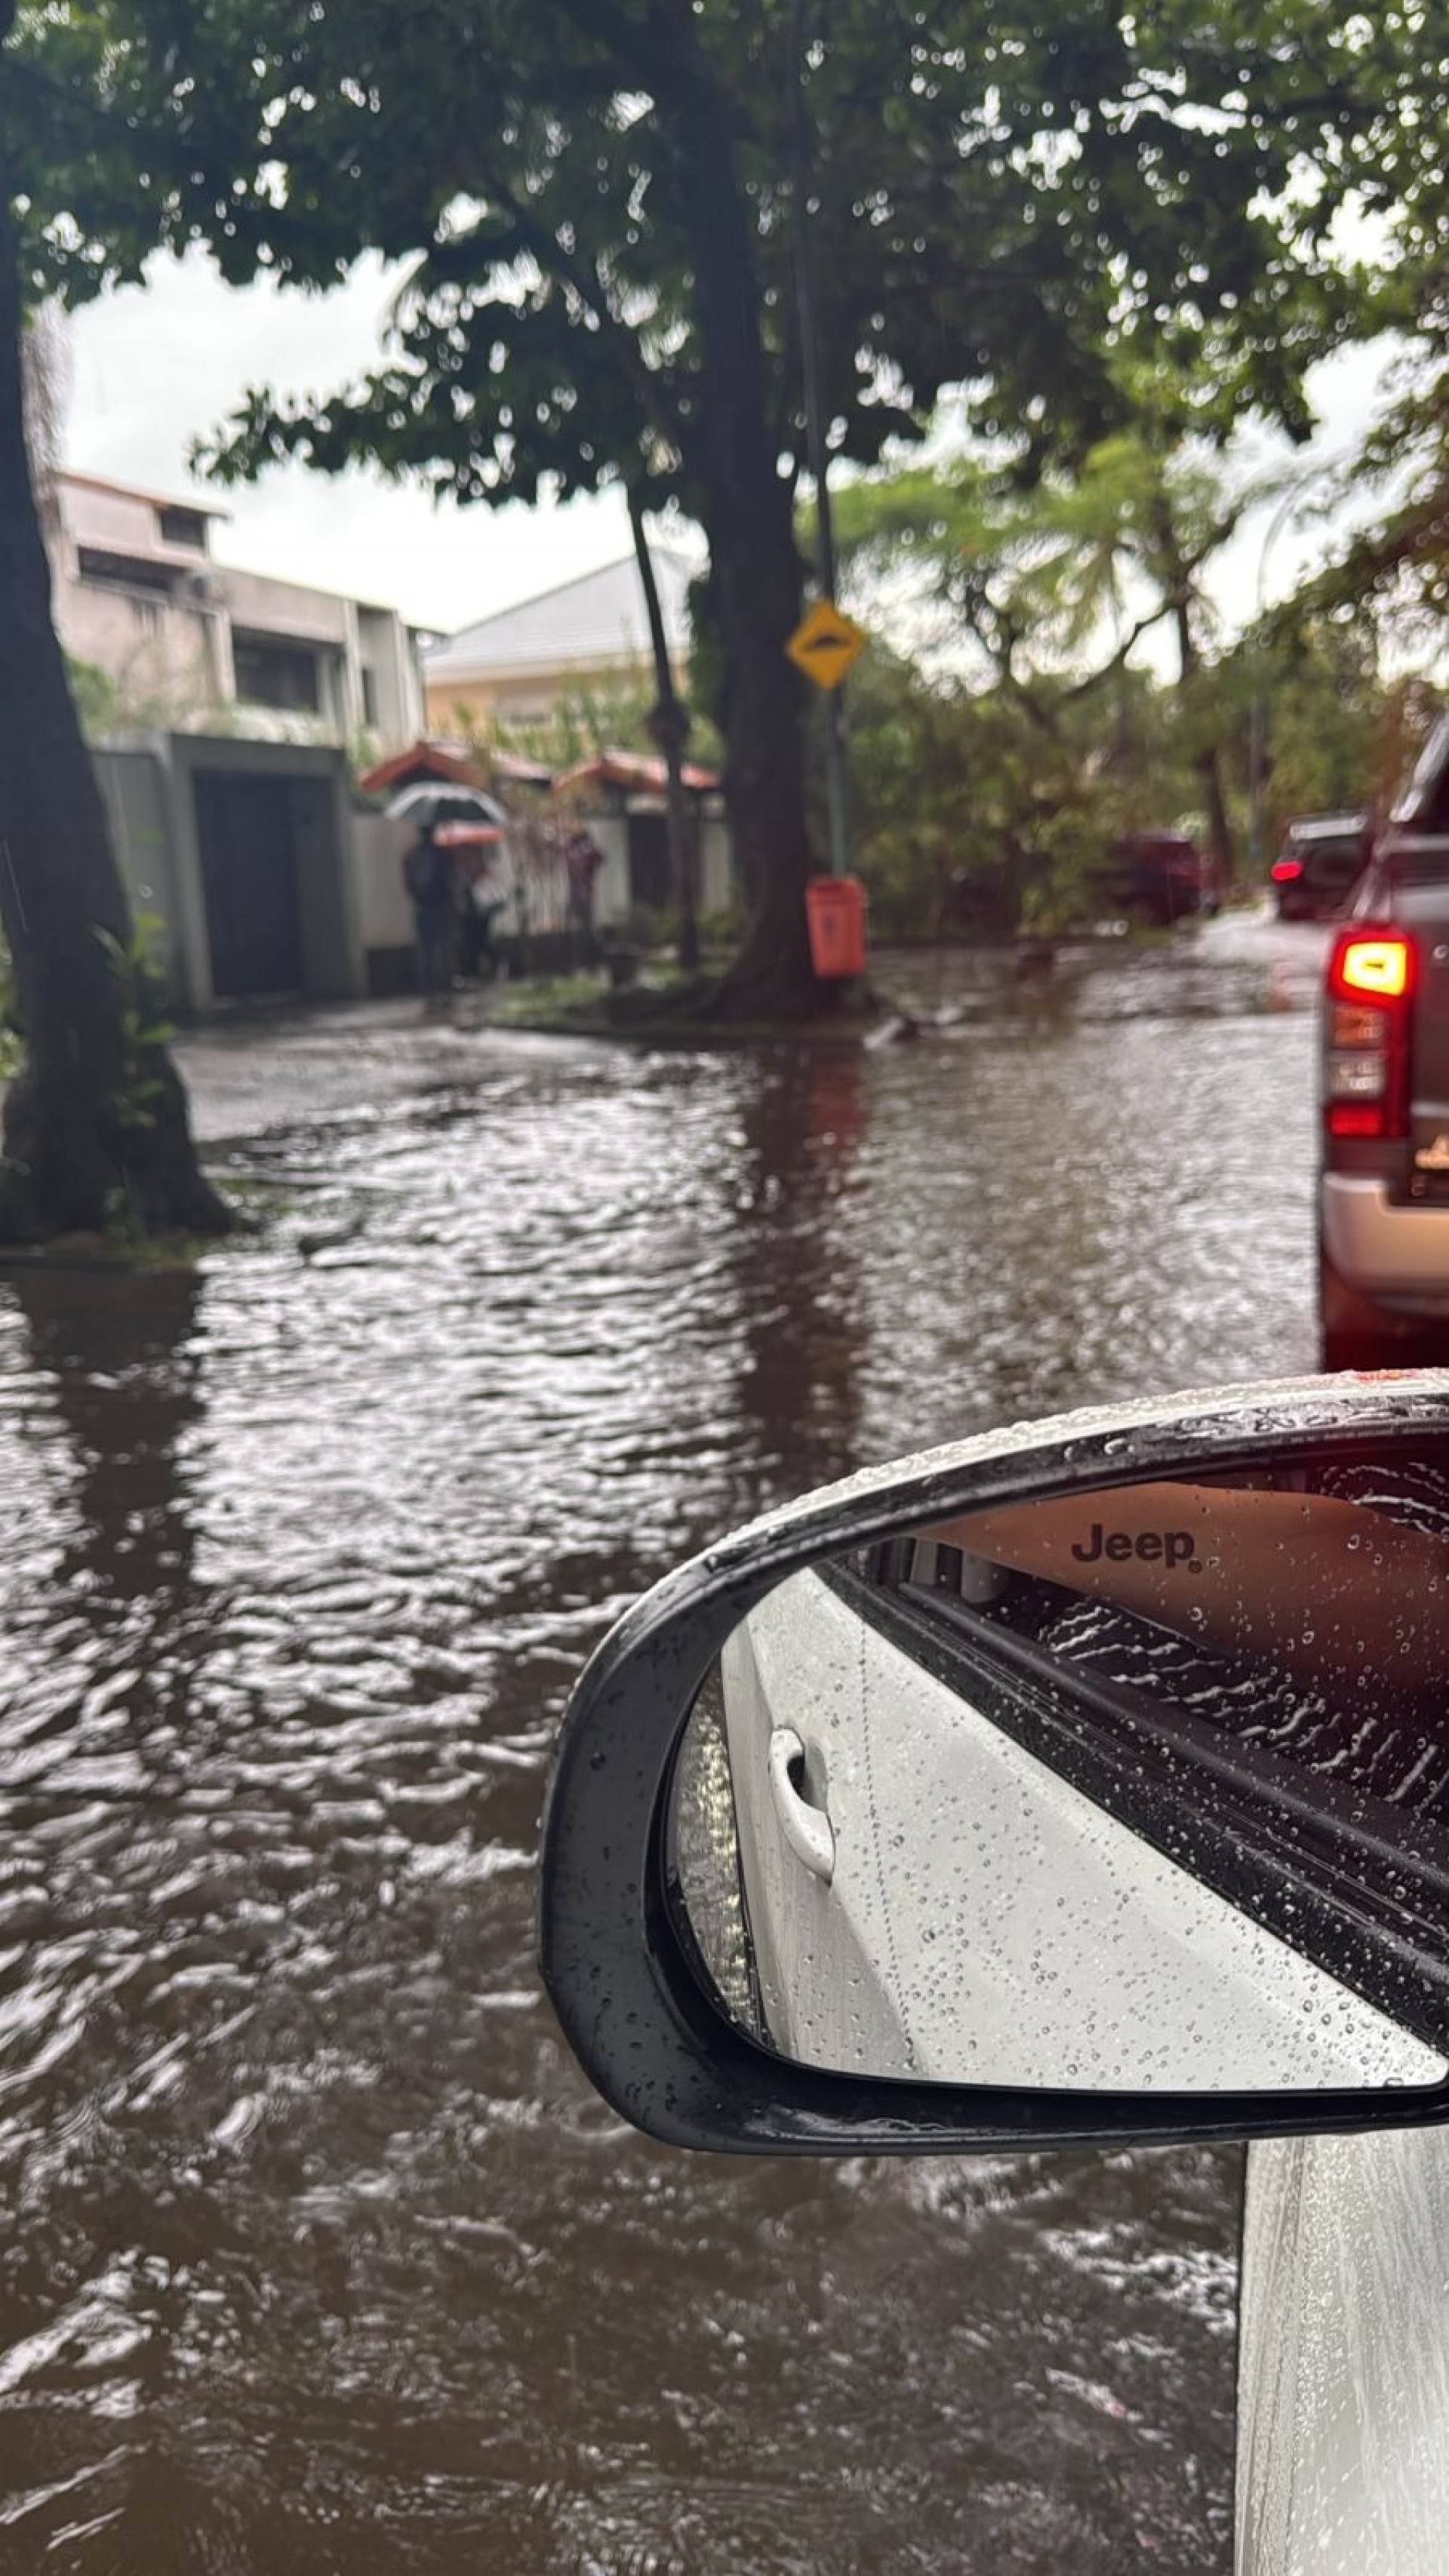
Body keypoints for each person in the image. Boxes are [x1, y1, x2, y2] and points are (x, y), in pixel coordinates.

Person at [402, 823, 457, 997]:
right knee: (442, 949)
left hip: (421, 907)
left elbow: (408, 884)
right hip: (440, 906)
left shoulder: (411, 855)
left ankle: (428, 991)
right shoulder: (442, 854)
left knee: (425, 951)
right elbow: (451, 880)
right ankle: (443, 989)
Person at [562, 826, 605, 954]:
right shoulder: (575, 853)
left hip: (584, 891)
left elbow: (600, 858)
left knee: (587, 921)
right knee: (579, 919)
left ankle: (593, 948)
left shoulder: (587, 853)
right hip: (579, 890)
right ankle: (586, 947)